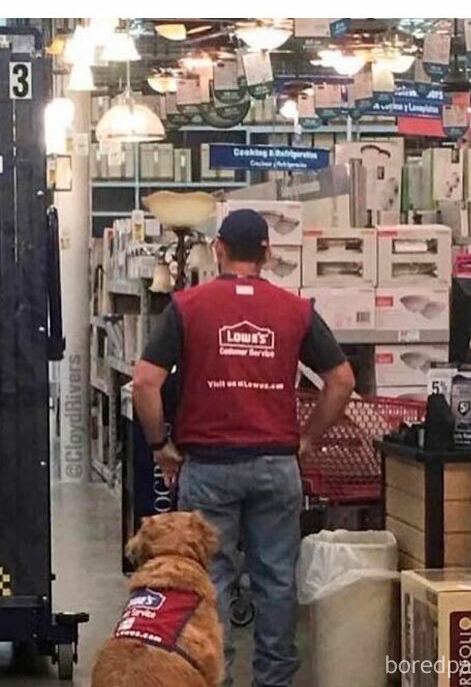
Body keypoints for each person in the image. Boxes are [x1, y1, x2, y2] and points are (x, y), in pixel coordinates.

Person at [132, 208, 355, 687]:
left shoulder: (187, 307)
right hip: (276, 465)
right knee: (276, 581)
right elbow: (341, 380)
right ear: (268, 254)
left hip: (209, 467)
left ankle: (215, 677)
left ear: (218, 250)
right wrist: (308, 438)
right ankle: (275, 680)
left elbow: (145, 382)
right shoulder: (296, 310)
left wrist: (159, 444)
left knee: (210, 579)